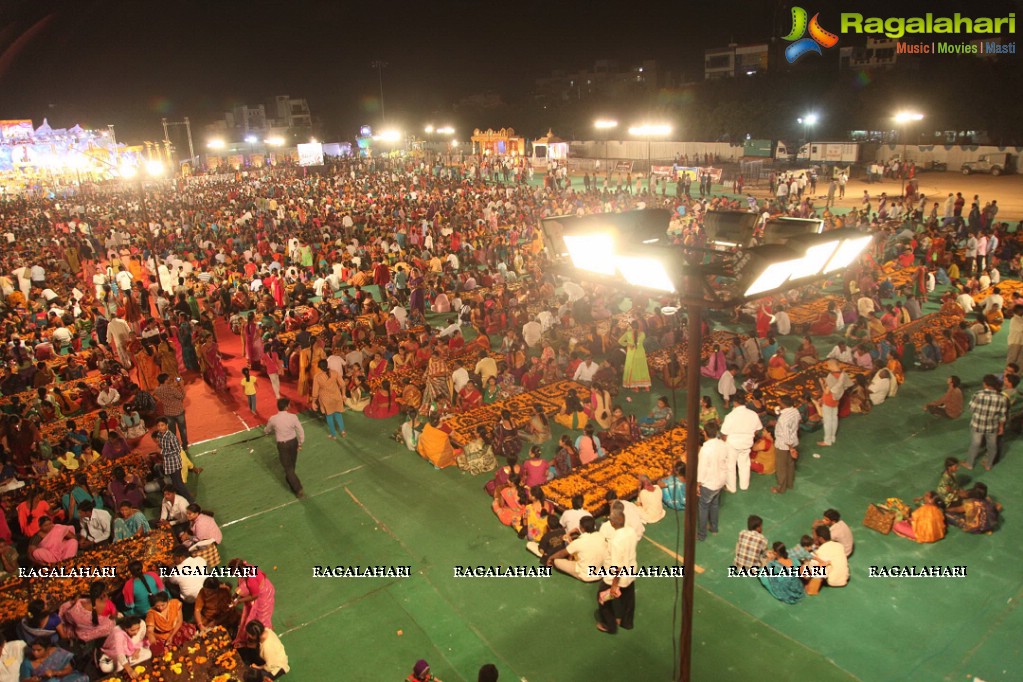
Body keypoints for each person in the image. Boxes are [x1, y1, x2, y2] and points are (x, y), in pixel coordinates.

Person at [595, 502, 639, 634]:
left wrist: (614, 585)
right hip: (631, 571)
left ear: (613, 523)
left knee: (603, 598)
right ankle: (627, 622)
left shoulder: (615, 541)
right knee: (629, 599)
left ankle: (610, 625)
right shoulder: (631, 531)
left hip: (616, 576)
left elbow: (617, 567)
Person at [965, 374, 1008, 470]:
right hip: (992, 427)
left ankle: (970, 464)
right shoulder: (1002, 398)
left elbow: (971, 409)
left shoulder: (978, 394)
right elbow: (1002, 415)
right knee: (992, 446)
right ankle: (988, 465)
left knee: (975, 444)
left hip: (977, 425)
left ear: (985, 384)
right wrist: (1001, 427)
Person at [230, 559, 276, 648]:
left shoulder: (251, 579)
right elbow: (240, 583)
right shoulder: (245, 568)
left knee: (261, 617)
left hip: (264, 595)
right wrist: (235, 595)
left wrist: (239, 601)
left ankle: (262, 637)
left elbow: (255, 596)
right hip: (259, 589)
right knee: (252, 613)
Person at [264, 398, 305, 498]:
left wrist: (267, 430)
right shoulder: (293, 417)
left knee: (288, 468)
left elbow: (267, 430)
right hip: (293, 442)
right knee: (291, 465)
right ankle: (292, 482)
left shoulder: (273, 419)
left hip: (282, 445)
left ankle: (298, 488)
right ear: (287, 407)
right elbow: (300, 430)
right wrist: (300, 442)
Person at [720, 398, 763, 493]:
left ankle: (731, 487)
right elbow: (758, 428)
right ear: (745, 402)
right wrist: (750, 435)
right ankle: (744, 486)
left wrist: (724, 442)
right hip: (746, 444)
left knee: (730, 465)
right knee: (744, 465)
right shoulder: (753, 414)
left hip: (732, 444)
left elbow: (724, 433)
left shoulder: (730, 416)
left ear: (735, 402)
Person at [152, 417, 195, 504]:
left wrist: (162, 452)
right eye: (158, 426)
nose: (160, 427)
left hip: (174, 464)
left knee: (179, 484)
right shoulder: (160, 435)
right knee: (175, 484)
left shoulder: (171, 437)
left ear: (166, 425)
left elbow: (177, 450)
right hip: (168, 464)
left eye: (162, 425)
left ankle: (191, 501)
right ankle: (183, 499)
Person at [696, 422, 728, 541]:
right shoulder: (723, 444)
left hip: (709, 483)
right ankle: (714, 528)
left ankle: (701, 534)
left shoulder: (705, 449)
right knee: (714, 504)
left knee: (703, 507)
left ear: (705, 433)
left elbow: (702, 468)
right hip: (720, 480)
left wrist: (698, 484)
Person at [145, 591, 195, 656]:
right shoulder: (151, 613)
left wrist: (171, 636)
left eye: (163, 605)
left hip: (176, 628)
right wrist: (152, 638)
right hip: (162, 635)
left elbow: (179, 621)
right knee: (164, 649)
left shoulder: (175, 604)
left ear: (168, 601)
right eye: (157, 606)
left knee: (186, 634)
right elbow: (149, 630)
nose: (160, 608)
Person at [805, 525, 849, 595]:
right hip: (844, 578)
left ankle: (812, 589)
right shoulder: (839, 545)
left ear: (821, 539)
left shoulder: (821, 551)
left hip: (833, 581)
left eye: (815, 537)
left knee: (812, 563)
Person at [818, 360, 852, 447]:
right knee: (834, 418)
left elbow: (826, 392)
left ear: (832, 365)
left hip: (828, 400)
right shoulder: (843, 374)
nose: (827, 367)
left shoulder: (830, 376)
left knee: (827, 421)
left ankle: (827, 441)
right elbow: (846, 385)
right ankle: (832, 437)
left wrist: (822, 384)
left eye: (828, 365)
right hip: (836, 400)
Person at [18, 641, 87, 682]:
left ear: (47, 649)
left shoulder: (57, 653)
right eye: (33, 650)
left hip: (63, 679)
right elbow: (24, 681)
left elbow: (69, 669)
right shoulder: (27, 663)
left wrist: (55, 672)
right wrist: (32, 680)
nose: (35, 653)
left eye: (39, 650)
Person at [312, 359, 347, 439]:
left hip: (326, 399)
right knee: (338, 414)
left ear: (319, 367)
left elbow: (315, 391)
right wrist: (343, 394)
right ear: (327, 365)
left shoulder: (317, 377)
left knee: (329, 416)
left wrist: (313, 402)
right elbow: (343, 384)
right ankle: (343, 431)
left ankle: (333, 435)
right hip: (336, 396)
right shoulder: (334, 372)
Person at [772, 395, 800, 494]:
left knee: (781, 467)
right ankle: (789, 483)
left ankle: (781, 488)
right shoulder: (795, 411)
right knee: (790, 464)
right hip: (794, 441)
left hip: (783, 445)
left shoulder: (783, 419)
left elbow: (786, 435)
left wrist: (791, 448)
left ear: (783, 404)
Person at [152, 373, 188, 450]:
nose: (169, 380)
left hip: (168, 413)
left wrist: (161, 400)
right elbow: (182, 396)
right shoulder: (171, 389)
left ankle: (174, 446)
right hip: (178, 411)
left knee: (172, 432)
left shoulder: (157, 390)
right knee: (183, 430)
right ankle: (184, 445)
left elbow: (154, 395)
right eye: (168, 379)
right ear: (165, 380)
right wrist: (181, 385)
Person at [619, 320, 651, 391]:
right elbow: (638, 340)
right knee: (643, 370)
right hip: (641, 355)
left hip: (632, 355)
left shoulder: (628, 334)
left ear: (631, 326)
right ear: (638, 326)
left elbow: (620, 341)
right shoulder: (642, 334)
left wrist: (627, 344)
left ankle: (636, 388)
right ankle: (647, 387)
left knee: (634, 371)